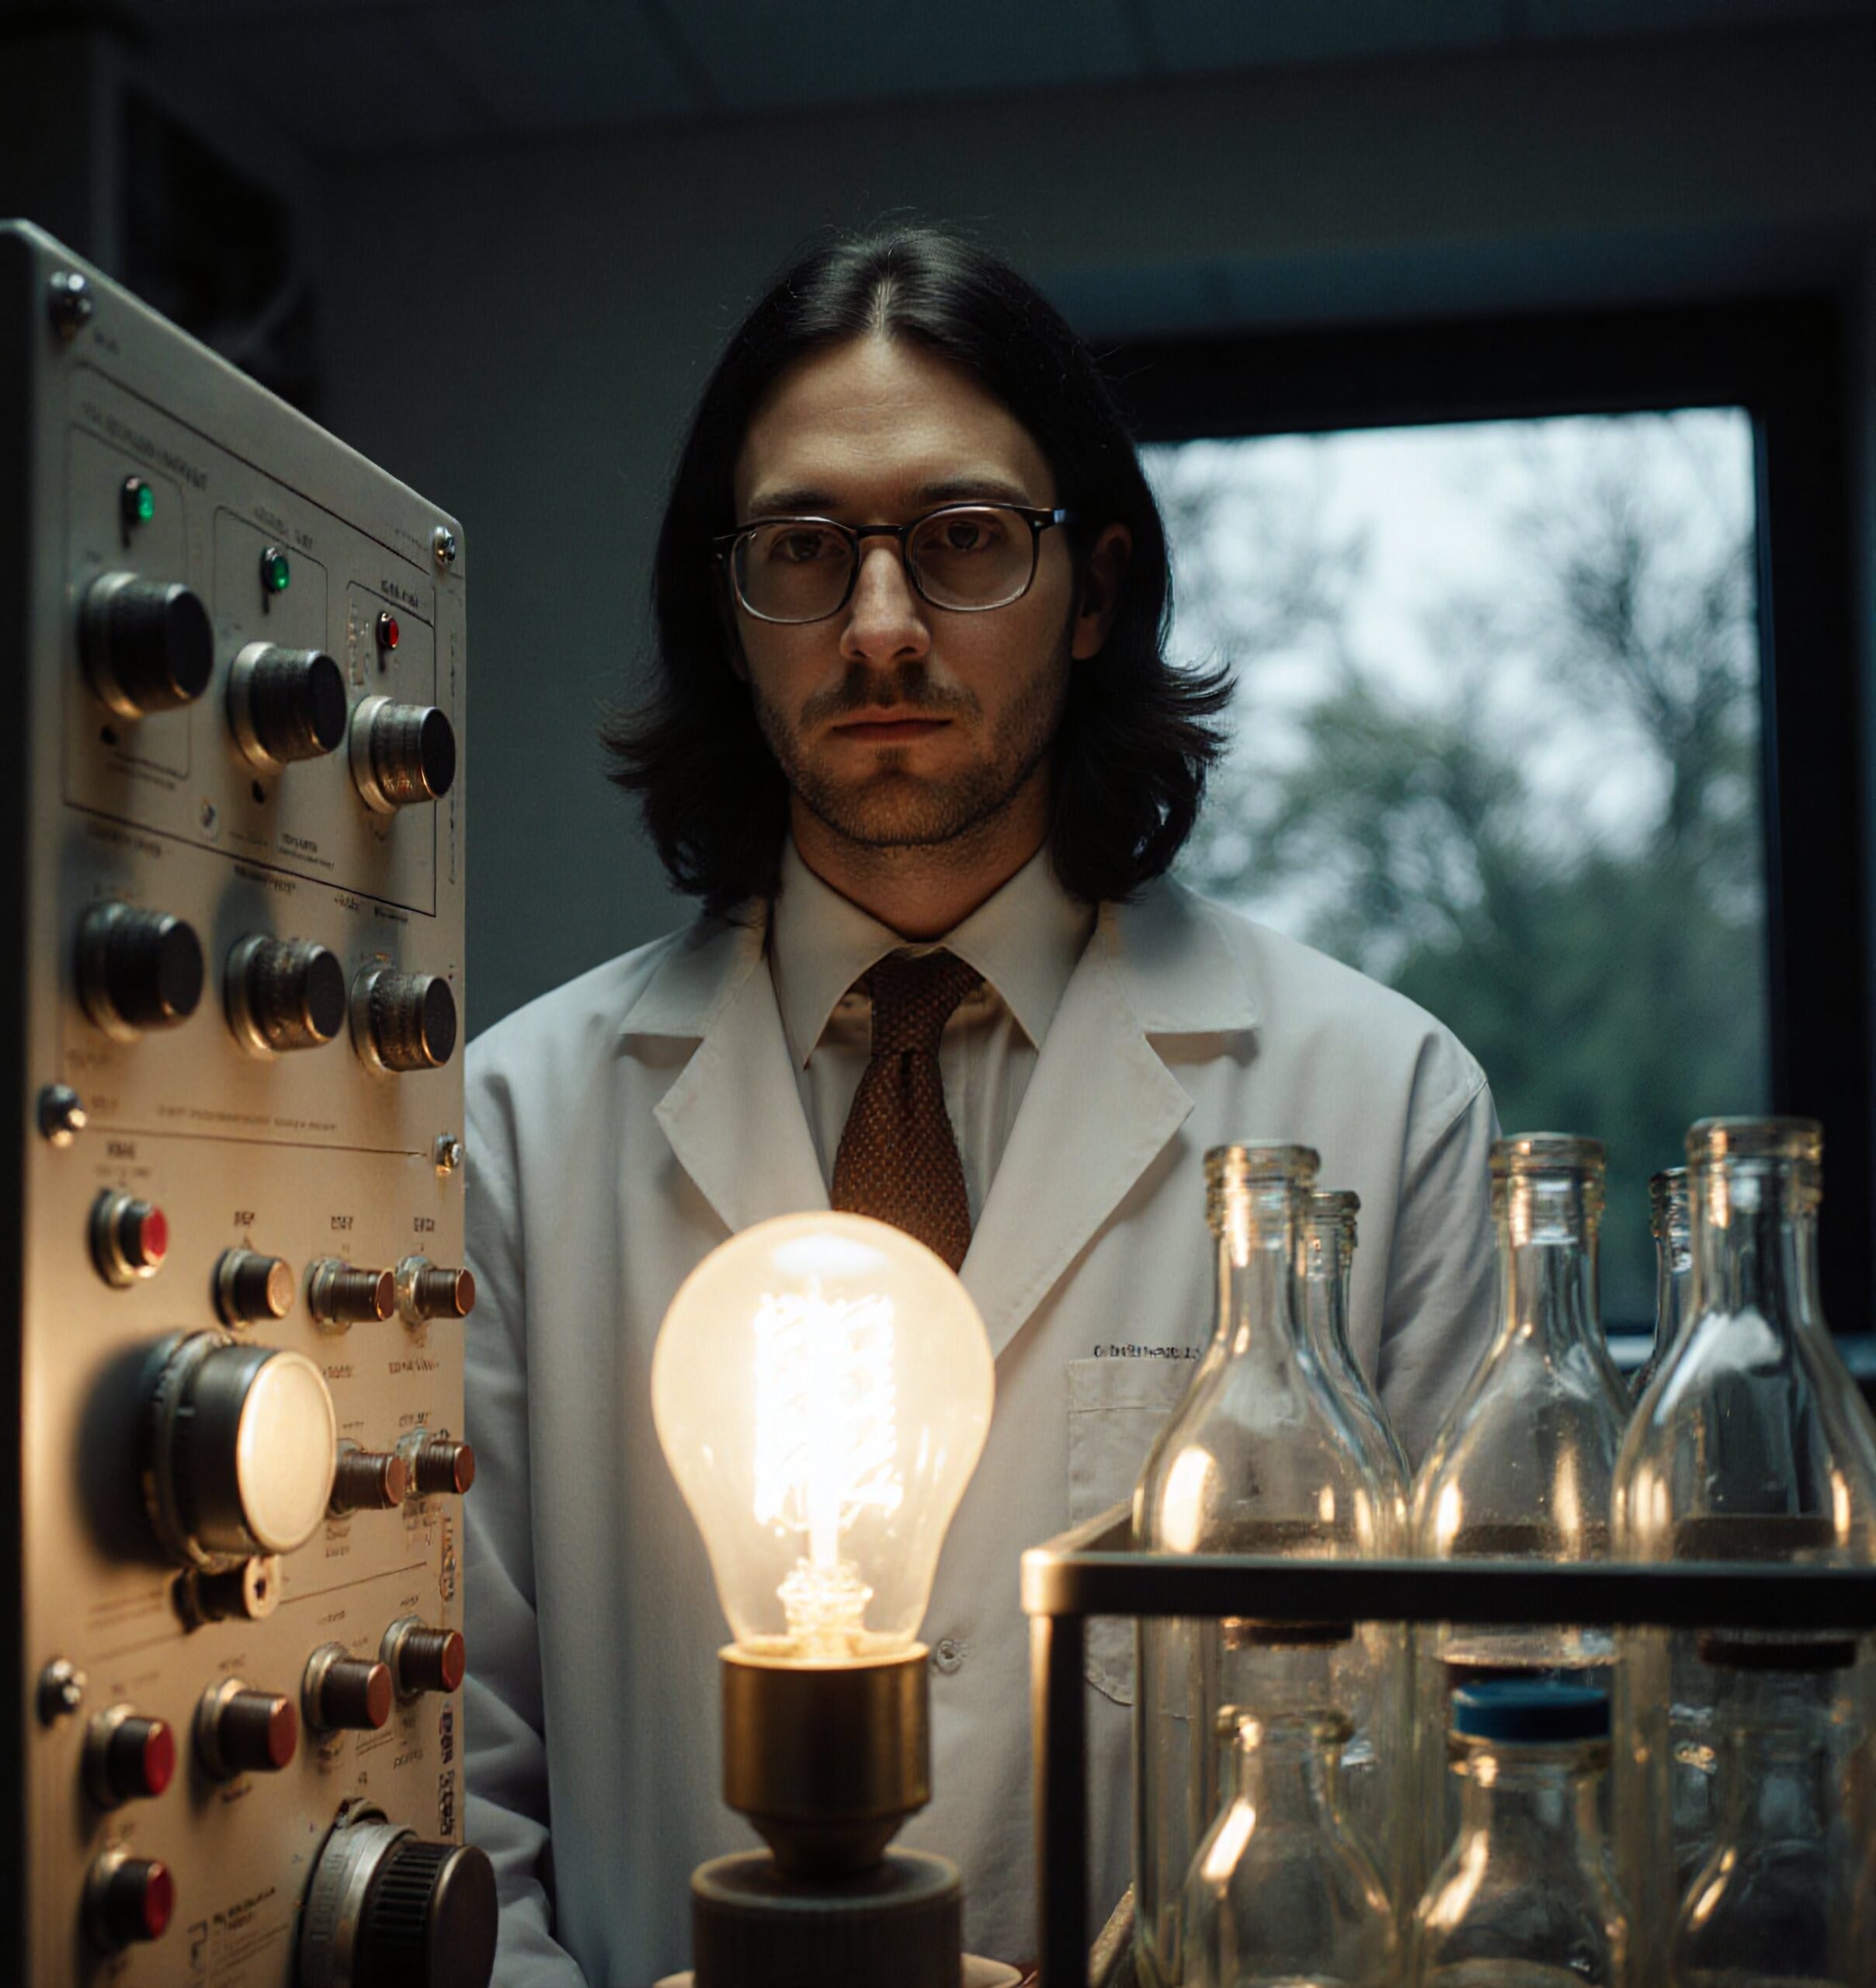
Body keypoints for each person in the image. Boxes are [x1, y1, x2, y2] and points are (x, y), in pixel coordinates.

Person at [462, 224, 1498, 1986]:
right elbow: (447, 1800)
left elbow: (1468, 1787)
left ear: (1090, 591)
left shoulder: (1375, 1101)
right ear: (729, 608)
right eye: (802, 548)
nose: (875, 626)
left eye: (955, 542)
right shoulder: (510, 1122)